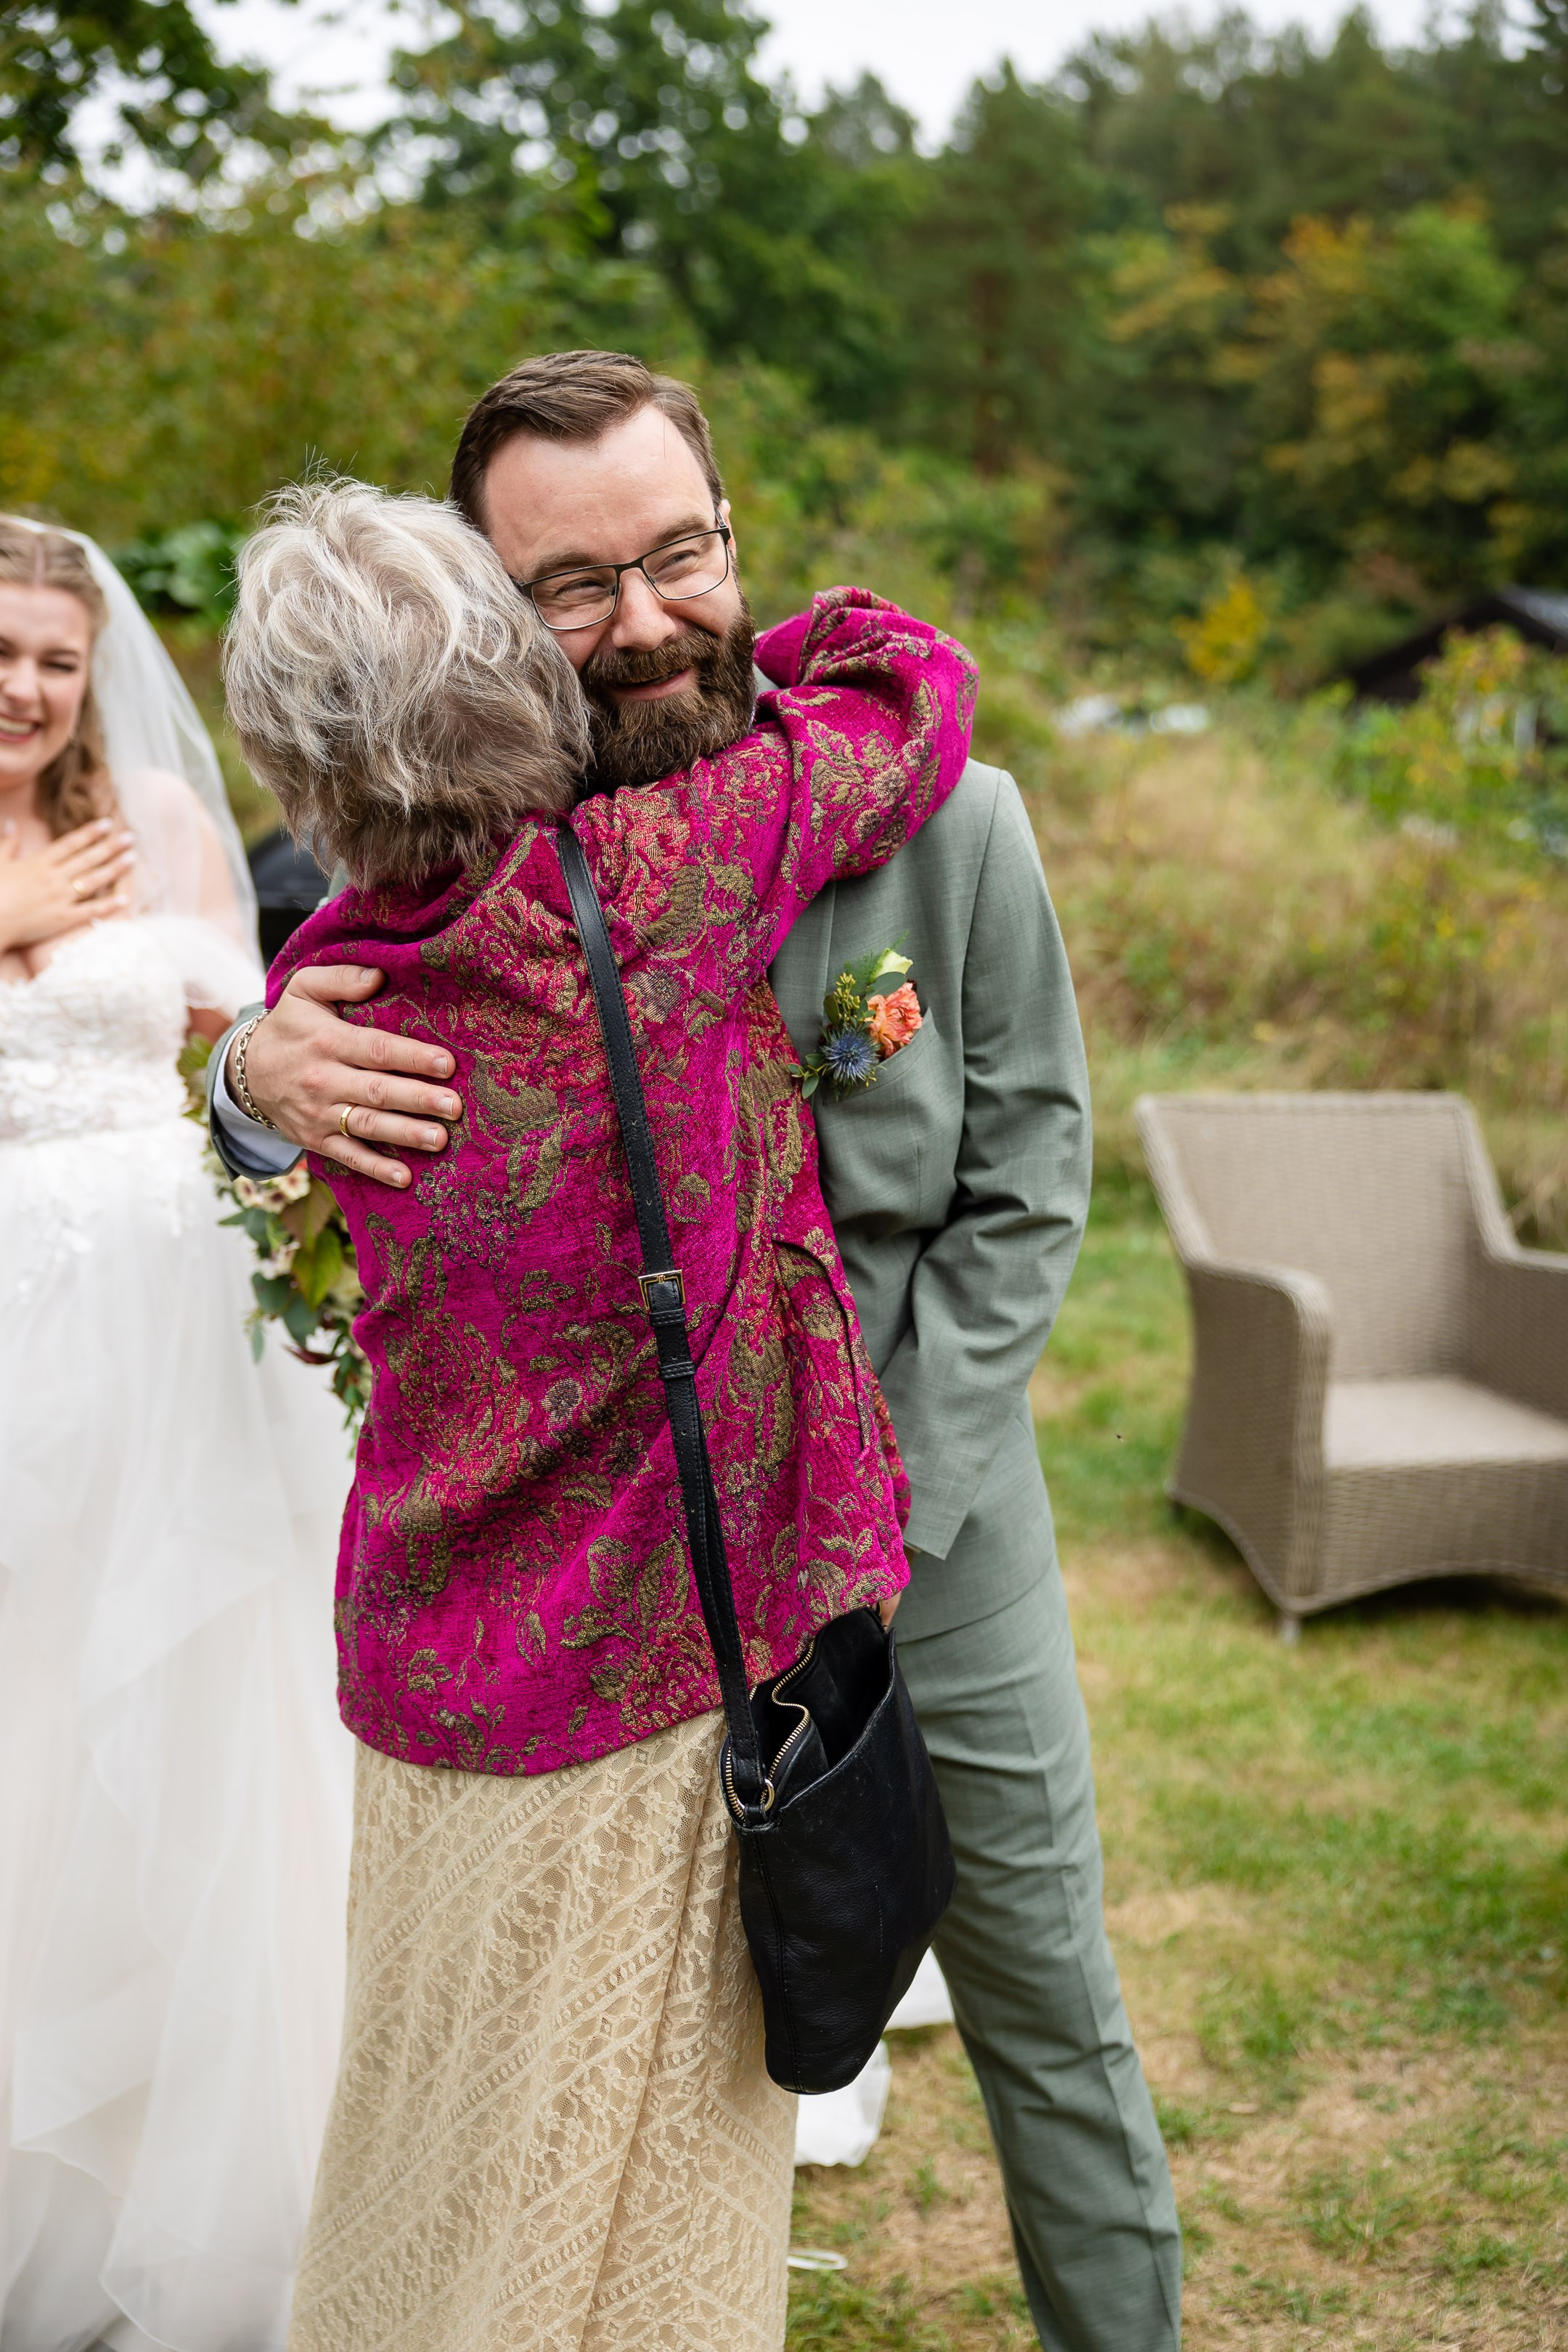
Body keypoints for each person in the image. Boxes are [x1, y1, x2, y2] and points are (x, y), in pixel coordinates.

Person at [209, 353, 1183, 2352]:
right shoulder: (450, 846)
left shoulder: (954, 832)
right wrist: (242, 1070)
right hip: (632, 1611)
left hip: (929, 1532)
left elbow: (1028, 1183)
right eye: (575, 586)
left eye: (681, 554)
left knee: (1048, 2005)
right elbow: (297, 1097)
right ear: (489, 610)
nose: (646, 620)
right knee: (654, 2086)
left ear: (730, 529)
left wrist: (897, 1498)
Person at [0, 515, 355, 2352]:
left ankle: (247, 2148)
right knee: (40, 1696)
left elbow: (235, 1037)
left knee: (223, 1679)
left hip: (187, 1307)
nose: (26, 684)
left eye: (52, 652)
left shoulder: (161, 807)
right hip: (19, 1329)